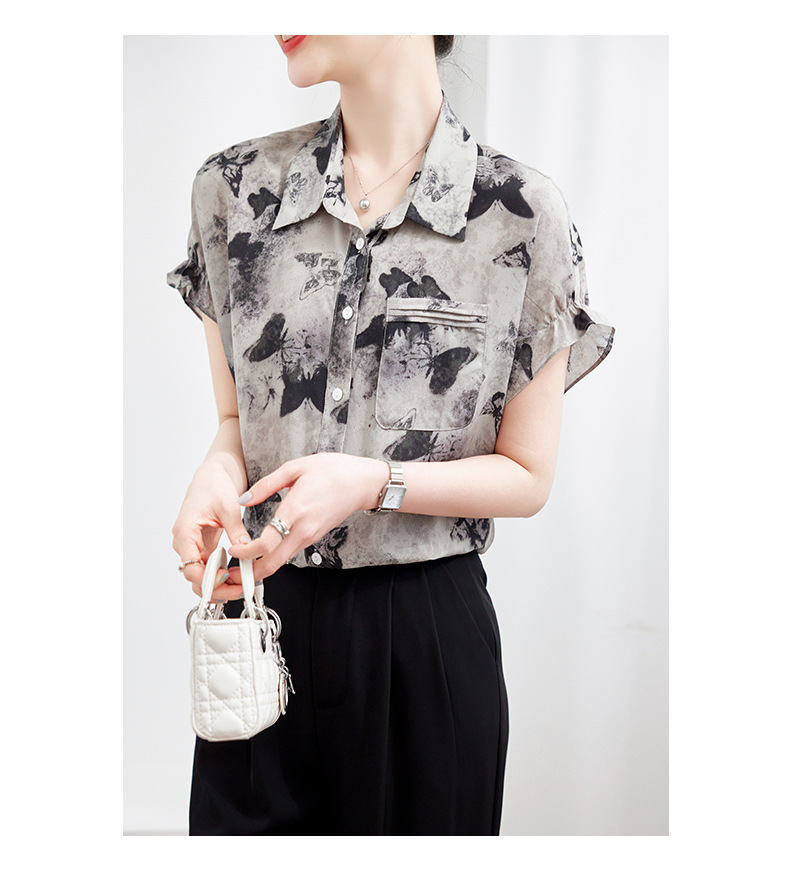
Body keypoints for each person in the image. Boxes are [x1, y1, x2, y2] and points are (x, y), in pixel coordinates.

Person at [167, 35, 614, 836]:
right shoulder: (233, 190)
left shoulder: (519, 213)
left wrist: (375, 483)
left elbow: (526, 476)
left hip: (425, 643)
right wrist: (216, 476)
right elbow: (237, 422)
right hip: (261, 621)